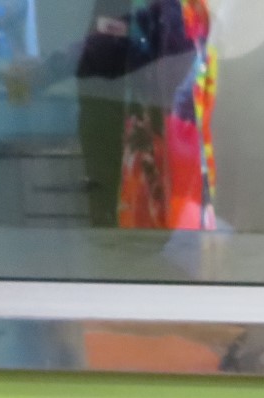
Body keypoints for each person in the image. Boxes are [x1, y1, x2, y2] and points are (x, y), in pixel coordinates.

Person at [19, 0, 216, 230]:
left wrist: (46, 70)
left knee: (154, 238)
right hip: (171, 149)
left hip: (161, 150)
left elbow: (119, 44)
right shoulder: (188, 10)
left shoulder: (170, 11)